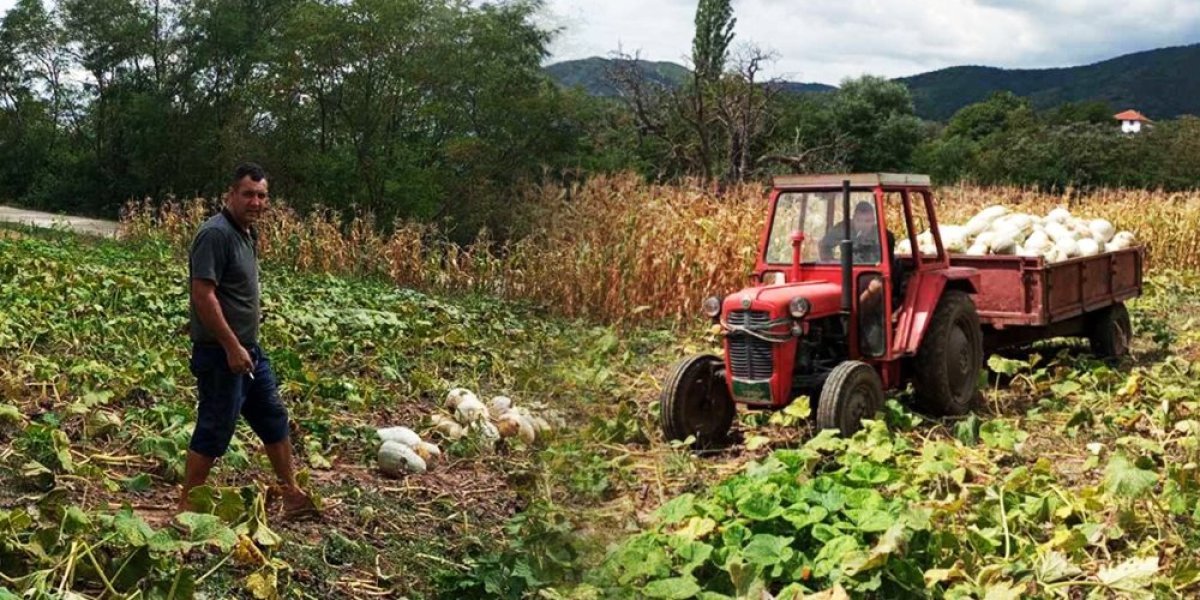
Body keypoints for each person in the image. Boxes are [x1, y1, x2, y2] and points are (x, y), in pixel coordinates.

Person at [178, 162, 317, 520]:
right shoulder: (215, 234)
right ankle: (186, 508)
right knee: (214, 430)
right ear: (230, 195)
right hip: (222, 354)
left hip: (249, 351)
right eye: (248, 194)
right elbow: (202, 295)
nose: (256, 202)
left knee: (273, 418)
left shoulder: (246, 233)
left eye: (262, 195)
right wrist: (230, 346)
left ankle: (292, 494)